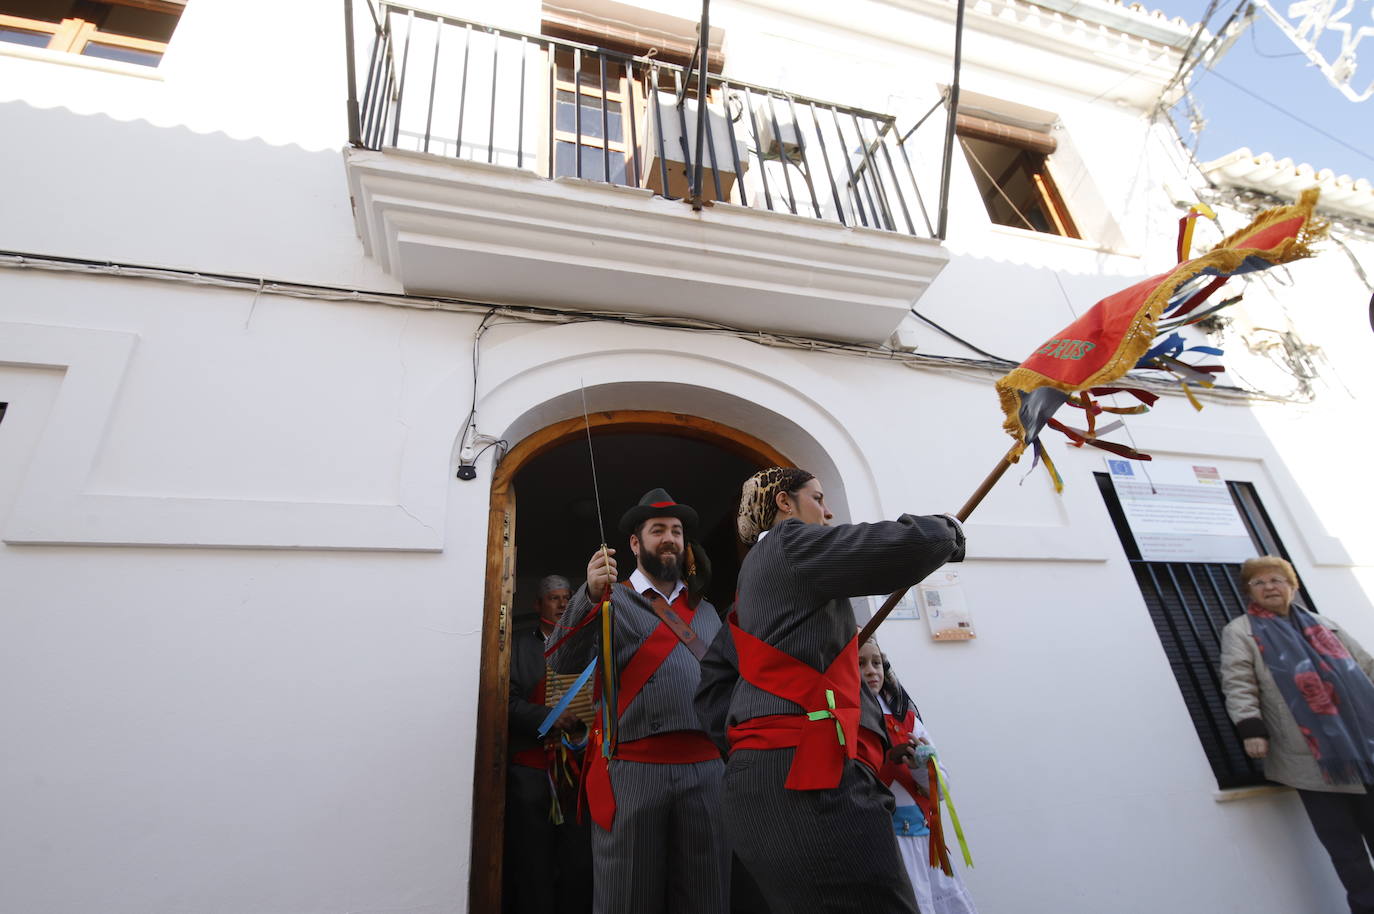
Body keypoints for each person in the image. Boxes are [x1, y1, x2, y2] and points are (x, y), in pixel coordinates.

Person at [722, 466, 965, 914]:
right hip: (809, 778)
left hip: (763, 777)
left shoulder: (752, 580)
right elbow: (905, 546)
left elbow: (717, 683)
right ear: (784, 503)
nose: (829, 510)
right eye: (817, 498)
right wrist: (946, 529)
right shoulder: (789, 543)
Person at [548, 488, 728, 914]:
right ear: (635, 543)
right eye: (658, 530)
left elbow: (727, 685)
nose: (669, 538)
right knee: (627, 894)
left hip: (706, 772)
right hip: (633, 771)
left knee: (707, 894)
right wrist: (588, 597)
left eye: (677, 531)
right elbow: (561, 659)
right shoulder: (611, 599)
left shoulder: (707, 610)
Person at [1220, 555, 1374, 914]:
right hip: (1311, 760)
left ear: (1293, 585)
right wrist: (1251, 728)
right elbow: (1238, 682)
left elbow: (1366, 666)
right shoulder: (1241, 631)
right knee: (1346, 850)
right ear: (1249, 592)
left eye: (1276, 579)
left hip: (1365, 748)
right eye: (1259, 583)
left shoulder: (1326, 625)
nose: (1269, 587)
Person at [860, 639, 979, 914]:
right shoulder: (848, 721)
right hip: (889, 847)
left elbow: (941, 785)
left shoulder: (908, 718)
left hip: (927, 844)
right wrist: (889, 760)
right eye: (860, 663)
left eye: (876, 662)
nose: (871, 671)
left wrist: (919, 764)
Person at [505, 575, 593, 914]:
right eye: (553, 598)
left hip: (578, 771)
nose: (561, 604)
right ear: (538, 605)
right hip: (531, 773)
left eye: (567, 597)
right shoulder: (514, 647)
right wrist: (547, 716)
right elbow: (505, 703)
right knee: (533, 863)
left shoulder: (588, 644)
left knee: (579, 863)